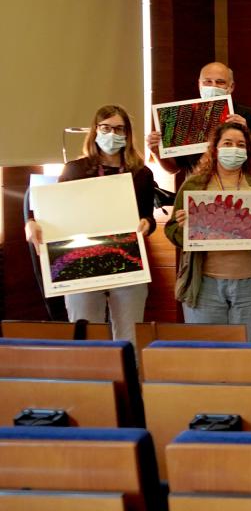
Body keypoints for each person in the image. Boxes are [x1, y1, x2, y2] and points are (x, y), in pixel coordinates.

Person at [24, 104, 156, 341]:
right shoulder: (74, 170)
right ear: (95, 131)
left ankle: (128, 377)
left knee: (129, 336)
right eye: (106, 128)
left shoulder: (141, 173)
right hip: (81, 263)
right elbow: (51, 210)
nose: (112, 134)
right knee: (86, 334)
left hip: (126, 262)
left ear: (127, 134)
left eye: (119, 129)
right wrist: (31, 222)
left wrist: (147, 222)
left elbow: (148, 216)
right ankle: (93, 379)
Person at [164, 121, 251, 342]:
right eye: (227, 143)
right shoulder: (194, 186)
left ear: (248, 151)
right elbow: (171, 230)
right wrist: (183, 228)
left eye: (240, 145)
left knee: (248, 351)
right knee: (208, 353)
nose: (234, 149)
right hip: (204, 284)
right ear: (215, 148)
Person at [147, 62, 251, 176]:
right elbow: (173, 169)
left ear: (231, 87)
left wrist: (247, 133)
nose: (213, 86)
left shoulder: (250, 116)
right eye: (208, 82)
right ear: (199, 85)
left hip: (242, 188)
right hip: (198, 190)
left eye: (220, 82)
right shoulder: (183, 118)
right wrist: (157, 152)